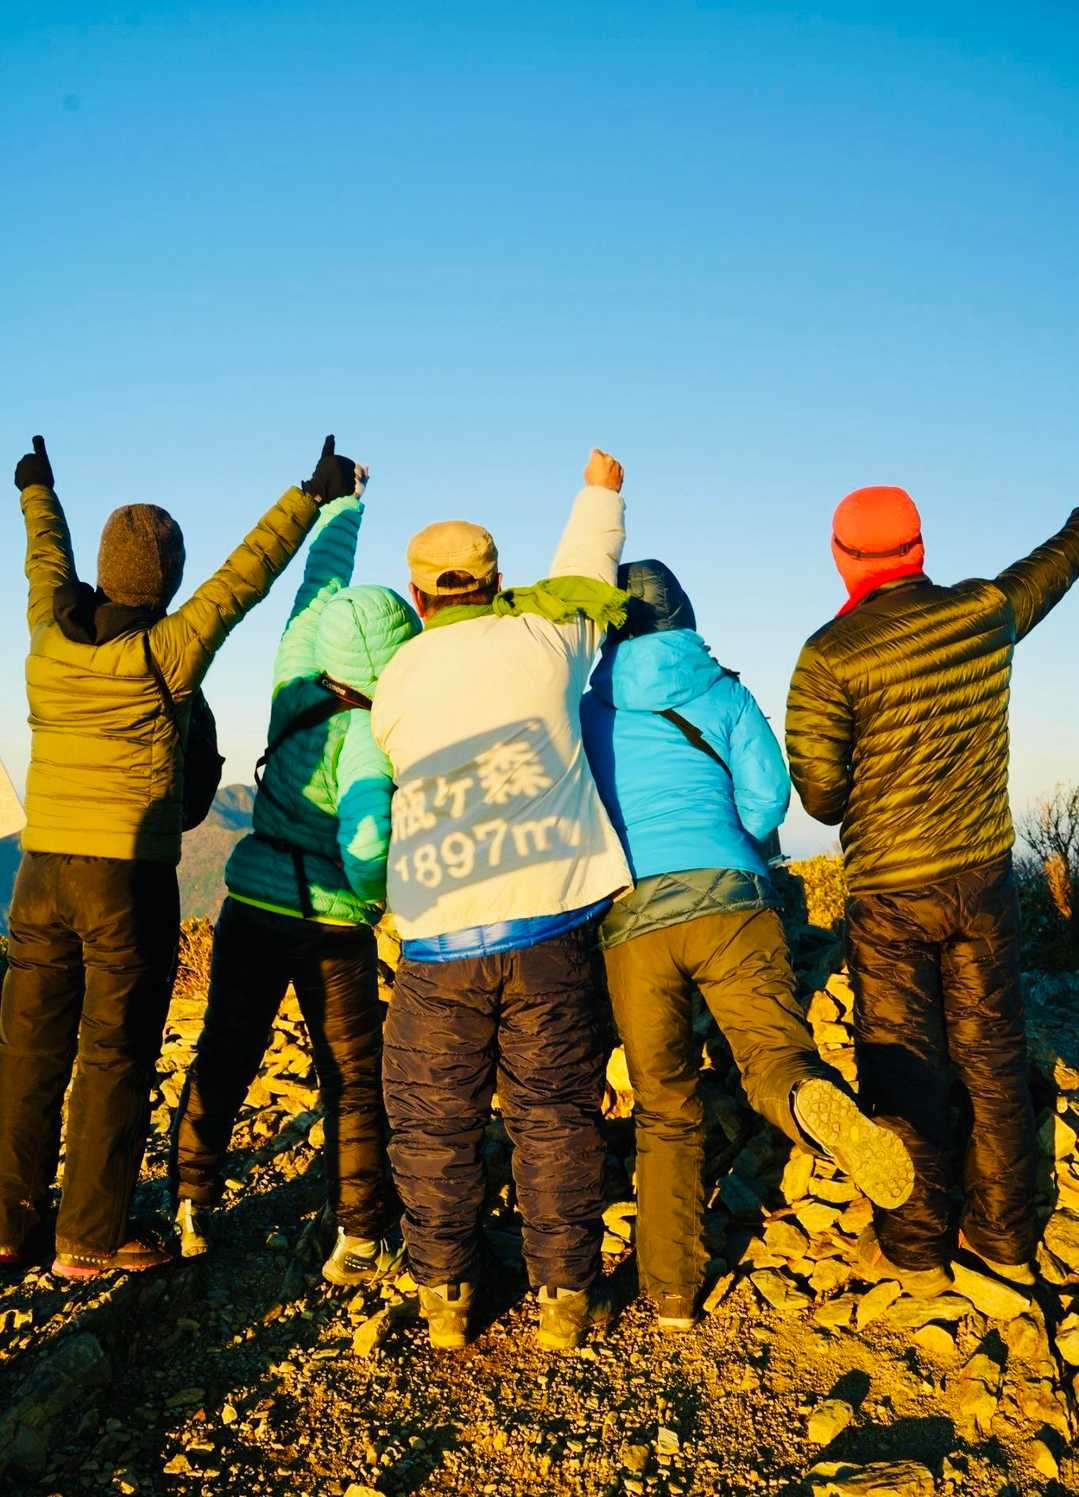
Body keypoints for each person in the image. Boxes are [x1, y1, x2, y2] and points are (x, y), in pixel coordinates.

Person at [0, 433, 354, 1281]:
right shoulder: (170, 647)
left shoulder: (49, 632)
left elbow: (44, 558)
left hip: (40, 873)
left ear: (105, 571)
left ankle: (9, 1225)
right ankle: (90, 1234)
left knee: (26, 1050)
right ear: (168, 581)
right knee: (113, 1054)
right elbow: (245, 575)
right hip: (126, 880)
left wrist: (37, 490)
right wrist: (310, 496)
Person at [580, 559, 914, 1330]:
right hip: (733, 900)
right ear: (684, 615)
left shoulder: (588, 710)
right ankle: (805, 1097)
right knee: (771, 1057)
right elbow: (766, 800)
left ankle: (670, 1293)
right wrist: (727, 839)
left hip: (632, 918)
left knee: (664, 1104)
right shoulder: (723, 693)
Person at [371, 449, 634, 1352]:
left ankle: (446, 1297)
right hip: (552, 929)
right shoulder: (545, 642)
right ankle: (564, 1299)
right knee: (554, 1114)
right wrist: (598, 492)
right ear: (494, 580)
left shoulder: (397, 678)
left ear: (417, 594)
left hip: (439, 942)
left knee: (432, 1123)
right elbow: (585, 575)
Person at [786, 485, 1079, 1295]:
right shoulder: (981, 611)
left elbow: (820, 796)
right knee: (992, 1056)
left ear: (839, 556)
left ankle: (915, 1251)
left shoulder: (828, 655)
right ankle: (1004, 1236)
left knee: (903, 1065)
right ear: (918, 546)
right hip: (981, 879)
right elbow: (1052, 567)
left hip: (889, 892)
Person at [169, 466, 420, 1285]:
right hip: (330, 923)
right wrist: (378, 899)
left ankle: (189, 1202)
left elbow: (318, 584)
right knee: (351, 1078)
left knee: (225, 1050)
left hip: (249, 901)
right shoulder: (370, 734)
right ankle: (360, 1234)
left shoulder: (292, 671)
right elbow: (368, 840)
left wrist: (343, 504)